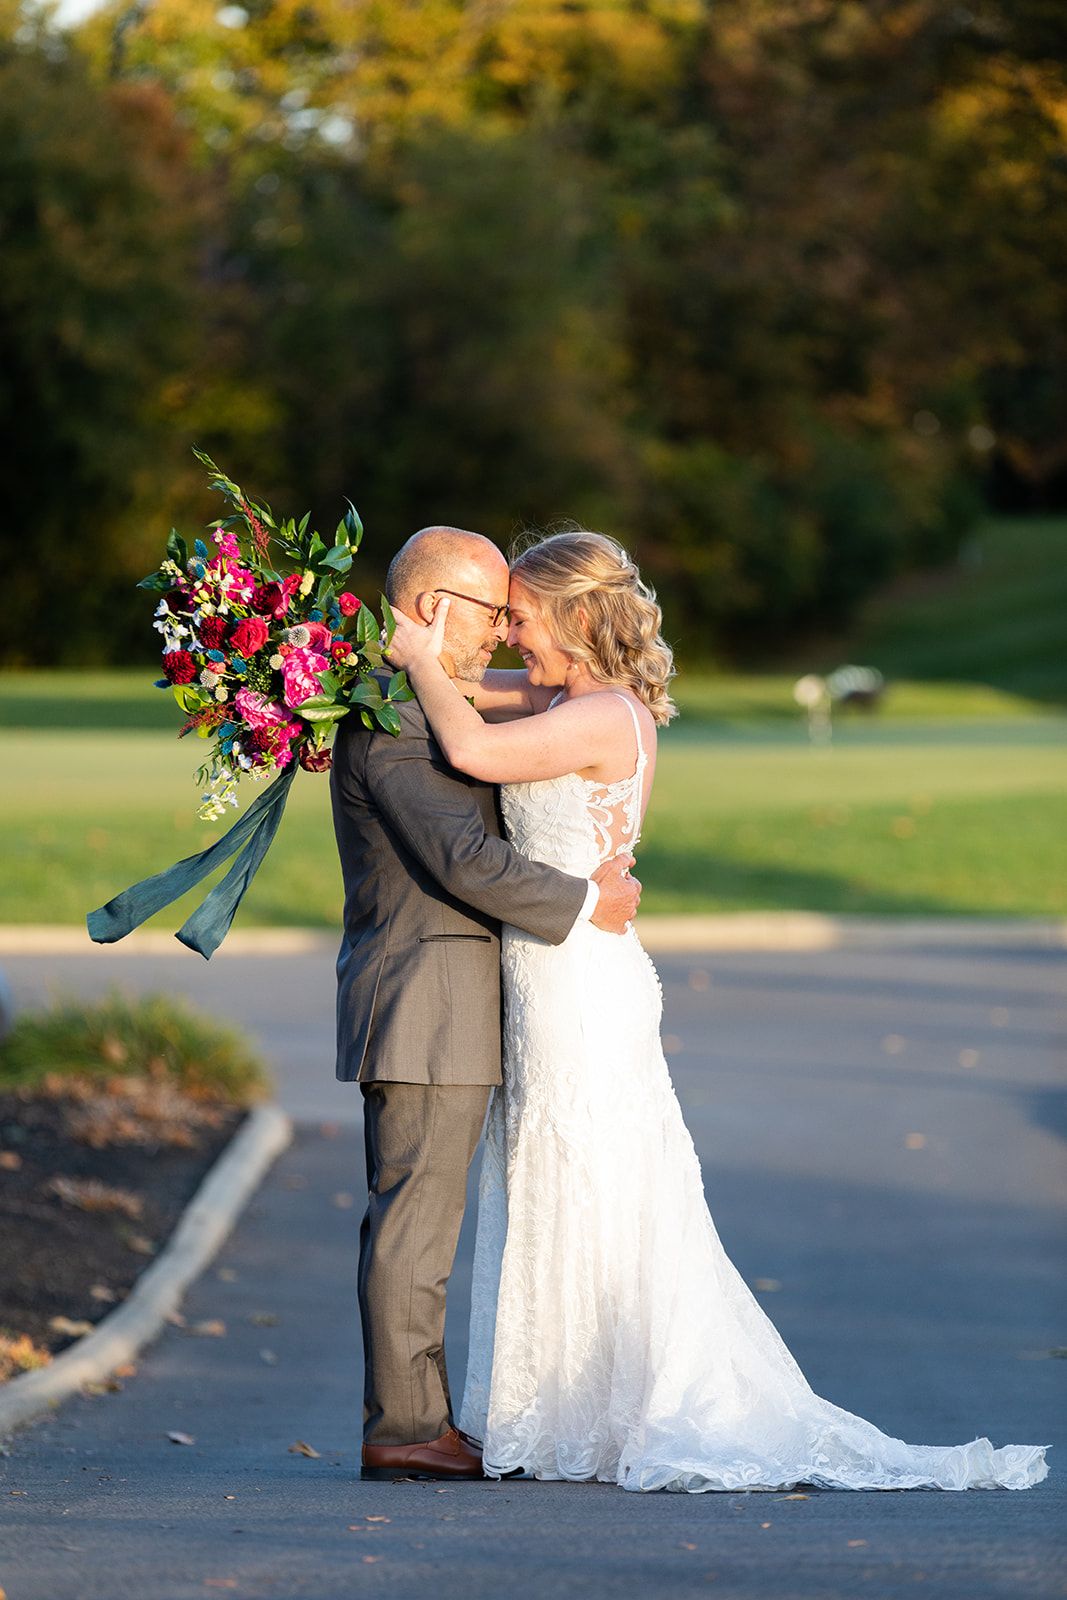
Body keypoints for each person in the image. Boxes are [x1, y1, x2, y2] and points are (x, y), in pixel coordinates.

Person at [385, 527, 1048, 1493]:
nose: (509, 638)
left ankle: (617, 1405)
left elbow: (467, 744)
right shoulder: (561, 698)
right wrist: (374, 654)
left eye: (520, 619)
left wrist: (416, 656)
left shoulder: (602, 715)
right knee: (552, 1174)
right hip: (545, 973)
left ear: (571, 617)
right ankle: (565, 1406)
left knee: (594, 1173)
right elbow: (459, 687)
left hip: (580, 984)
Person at [329, 525, 641, 1483]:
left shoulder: (421, 698)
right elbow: (463, 860)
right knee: (415, 1225)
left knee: (426, 1221)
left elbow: (504, 724)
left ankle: (427, 1419)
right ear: (433, 609)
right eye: (490, 612)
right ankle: (406, 1428)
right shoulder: (393, 720)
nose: (503, 633)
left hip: (459, 1001)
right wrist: (586, 902)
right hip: (425, 1003)